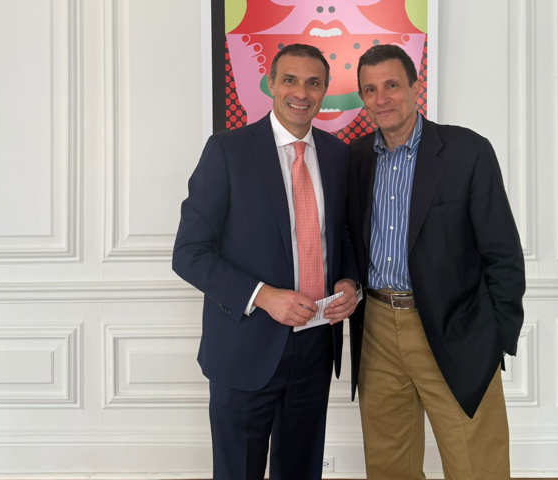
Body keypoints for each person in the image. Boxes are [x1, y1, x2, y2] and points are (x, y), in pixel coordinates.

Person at [172, 43, 360, 480]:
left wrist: (349, 282)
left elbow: (342, 235)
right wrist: (263, 296)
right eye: (290, 80)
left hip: (315, 346)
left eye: (313, 83)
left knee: (301, 471)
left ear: (325, 90)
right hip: (245, 347)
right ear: (271, 84)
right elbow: (189, 253)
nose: (302, 92)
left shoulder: (337, 155)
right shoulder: (227, 150)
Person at [346, 44, 526, 480]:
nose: (381, 98)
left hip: (455, 328)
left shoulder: (467, 151)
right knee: (389, 467)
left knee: (476, 467)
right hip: (377, 330)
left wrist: (494, 338)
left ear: (415, 86)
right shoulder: (356, 158)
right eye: (370, 90)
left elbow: (502, 252)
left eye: (392, 85)